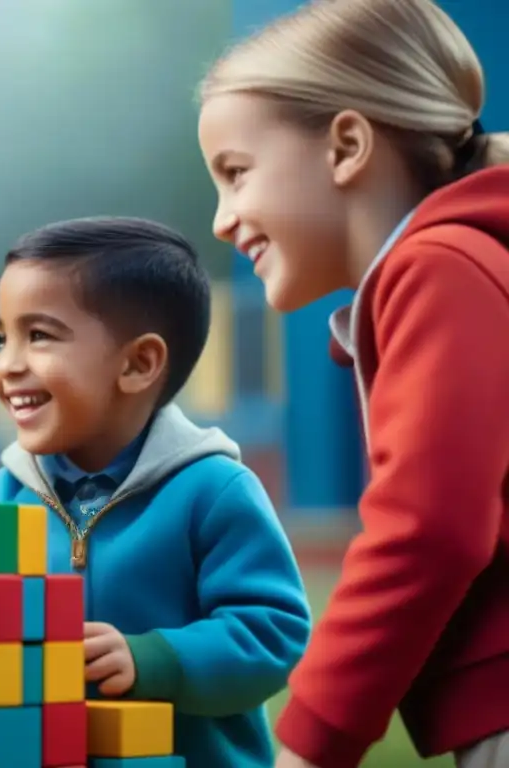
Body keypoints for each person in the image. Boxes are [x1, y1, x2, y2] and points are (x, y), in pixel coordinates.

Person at [197, 1, 509, 766]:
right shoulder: (457, 264)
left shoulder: (437, 270)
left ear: (345, 145)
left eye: (236, 174)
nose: (222, 219)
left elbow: (428, 529)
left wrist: (310, 741)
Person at [0, 216, 311, 766]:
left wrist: (155, 659)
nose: (7, 364)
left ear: (138, 364)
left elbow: (274, 631)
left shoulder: (213, 490)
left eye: (38, 336)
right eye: (1, 338)